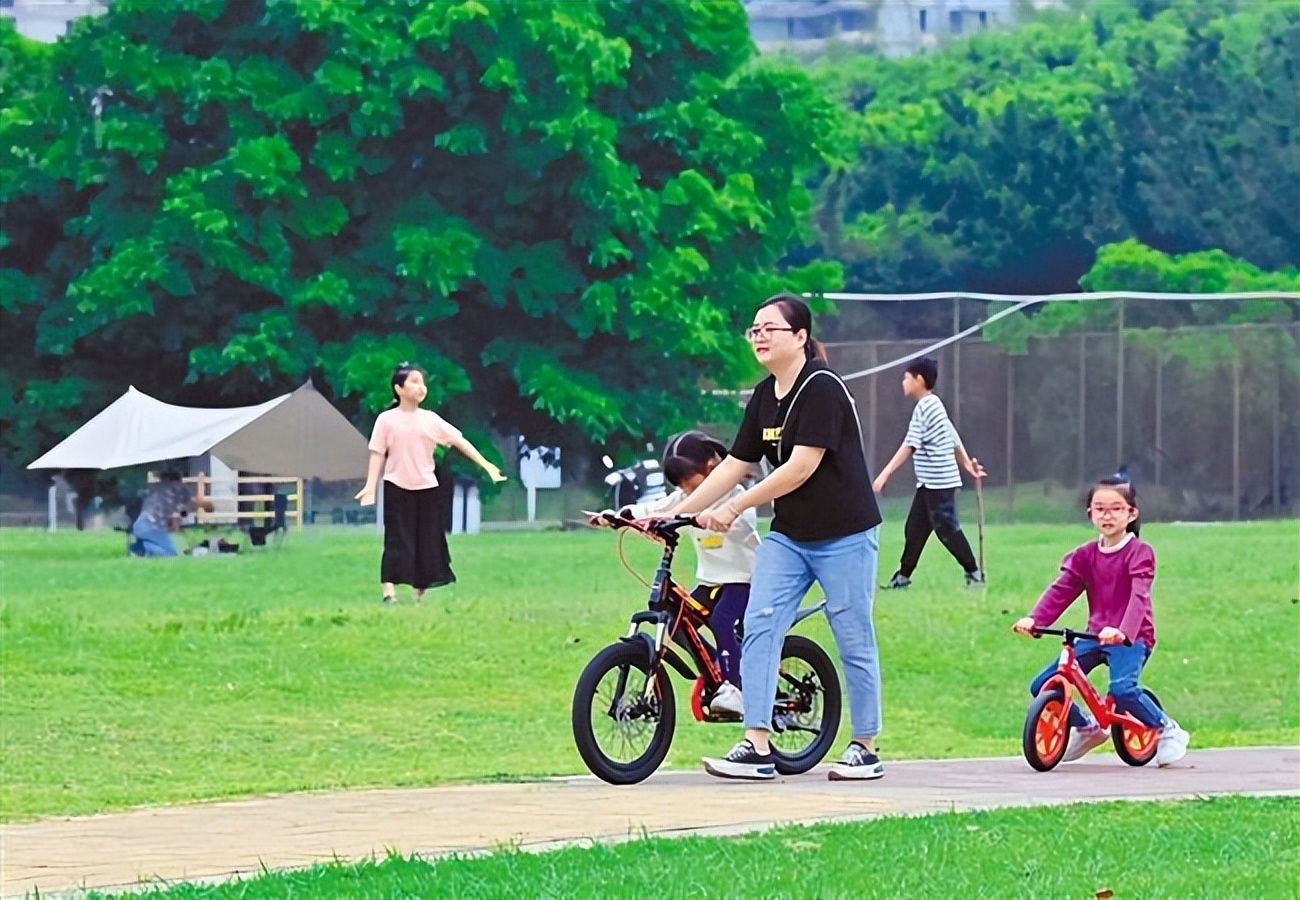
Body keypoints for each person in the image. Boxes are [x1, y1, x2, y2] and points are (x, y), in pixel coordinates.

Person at [675, 292, 886, 782]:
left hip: (846, 534)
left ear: (800, 337)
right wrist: (677, 513)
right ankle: (757, 745)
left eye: (770, 328)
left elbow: (800, 467)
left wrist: (735, 507)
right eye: (754, 329)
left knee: (853, 636)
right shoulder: (763, 395)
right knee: (760, 623)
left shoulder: (822, 389)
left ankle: (865, 747)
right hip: (790, 536)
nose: (760, 337)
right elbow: (735, 462)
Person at [1012, 477, 1190, 767]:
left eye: (1116, 509)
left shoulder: (1139, 553)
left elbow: (1139, 596)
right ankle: (1086, 728)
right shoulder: (1085, 555)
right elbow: (1063, 589)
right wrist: (1035, 619)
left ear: (1131, 514)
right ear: (1090, 513)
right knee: (1043, 683)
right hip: (1095, 634)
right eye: (1100, 509)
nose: (1107, 515)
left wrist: (1123, 631)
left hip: (1132, 636)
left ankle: (1166, 729)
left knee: (1122, 690)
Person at [615, 430, 760, 717]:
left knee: (722, 621)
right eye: (681, 486)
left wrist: (722, 520)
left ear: (710, 468)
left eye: (690, 483)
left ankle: (735, 690)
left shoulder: (736, 496)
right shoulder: (685, 496)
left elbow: (746, 525)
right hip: (711, 580)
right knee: (675, 621)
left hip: (744, 580)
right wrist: (621, 516)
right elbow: (655, 508)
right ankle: (718, 667)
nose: (687, 492)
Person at [356, 363, 506, 604]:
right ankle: (388, 592)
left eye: (422, 382)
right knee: (396, 539)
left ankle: (419, 592)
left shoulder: (430, 420)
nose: (421, 387)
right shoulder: (386, 420)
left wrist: (486, 464)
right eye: (414, 381)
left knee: (427, 540)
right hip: (397, 486)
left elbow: (459, 441)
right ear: (399, 388)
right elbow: (377, 453)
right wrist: (370, 486)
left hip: (426, 488)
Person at [872, 357, 987, 589]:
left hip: (939, 483)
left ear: (919, 380)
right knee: (914, 528)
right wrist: (966, 464)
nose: (903, 382)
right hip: (928, 483)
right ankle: (903, 577)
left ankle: (974, 573)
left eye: (906, 378)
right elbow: (952, 435)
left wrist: (884, 475)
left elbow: (910, 444)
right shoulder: (932, 405)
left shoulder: (927, 405)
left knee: (946, 528)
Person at [129, 472, 215, 557]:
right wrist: (208, 507)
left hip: (140, 524)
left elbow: (175, 515)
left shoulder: (156, 493)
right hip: (151, 526)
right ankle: (140, 549)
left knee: (151, 547)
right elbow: (203, 504)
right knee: (171, 555)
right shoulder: (178, 491)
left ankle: (136, 548)